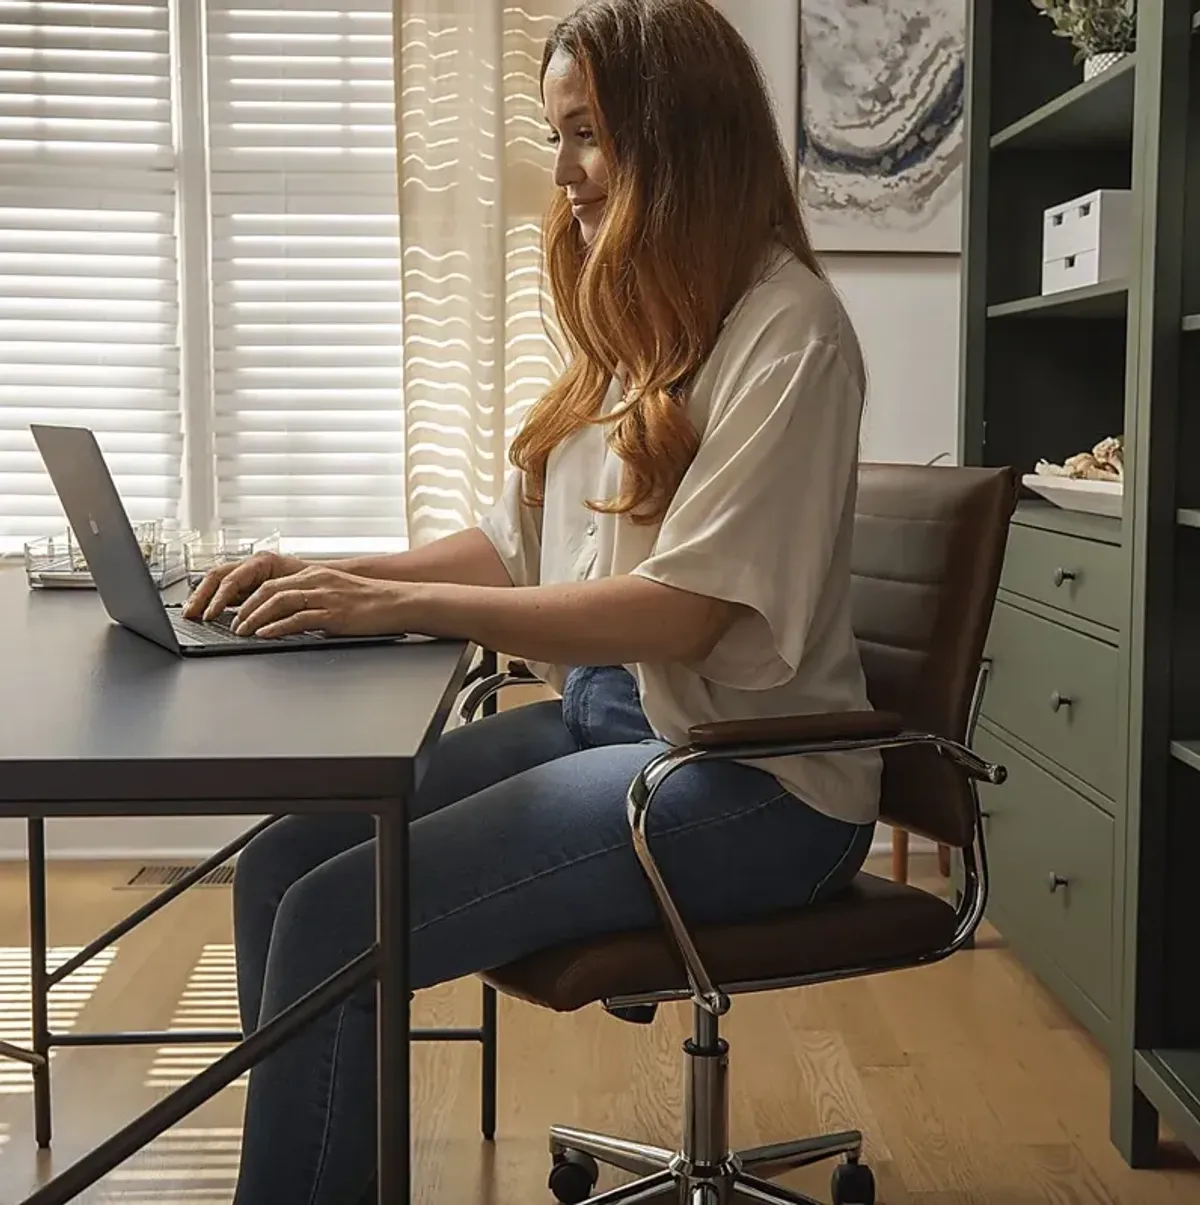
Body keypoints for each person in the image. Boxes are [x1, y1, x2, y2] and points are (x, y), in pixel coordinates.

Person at [183, 1, 882, 1200]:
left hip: (749, 776)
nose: (561, 173)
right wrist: (322, 572)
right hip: (611, 725)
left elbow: (681, 614)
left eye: (586, 135)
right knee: (282, 867)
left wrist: (395, 607)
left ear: (683, 134)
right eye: (555, 135)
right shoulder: (642, 322)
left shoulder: (791, 333)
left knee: (341, 918)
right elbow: (514, 549)